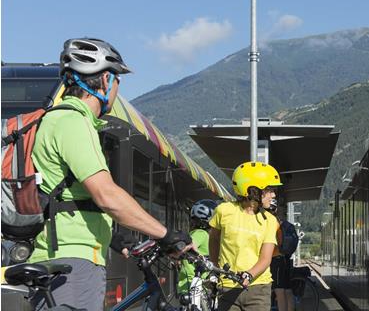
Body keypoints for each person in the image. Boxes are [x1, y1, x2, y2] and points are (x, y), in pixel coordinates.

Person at [28, 38, 193, 310]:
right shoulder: (72, 121)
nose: (117, 88)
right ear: (106, 80)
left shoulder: (66, 121)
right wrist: (166, 234)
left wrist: (115, 237)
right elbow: (106, 195)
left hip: (70, 257)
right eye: (117, 81)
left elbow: (69, 195)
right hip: (70, 262)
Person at [209, 162, 281, 311]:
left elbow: (266, 258)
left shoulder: (269, 220)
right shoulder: (224, 211)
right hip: (227, 287)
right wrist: (215, 267)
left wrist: (249, 275)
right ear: (253, 190)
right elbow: (214, 239)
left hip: (258, 289)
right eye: (269, 190)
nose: (273, 195)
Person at [177, 199, 219, 296]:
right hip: (198, 285)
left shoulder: (199, 234)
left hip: (190, 284)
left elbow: (185, 246)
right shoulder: (203, 234)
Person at [267, 205, 295, 311]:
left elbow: (274, 243)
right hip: (283, 259)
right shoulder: (279, 222)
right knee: (287, 289)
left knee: (279, 291)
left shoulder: (272, 223)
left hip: (276, 259)